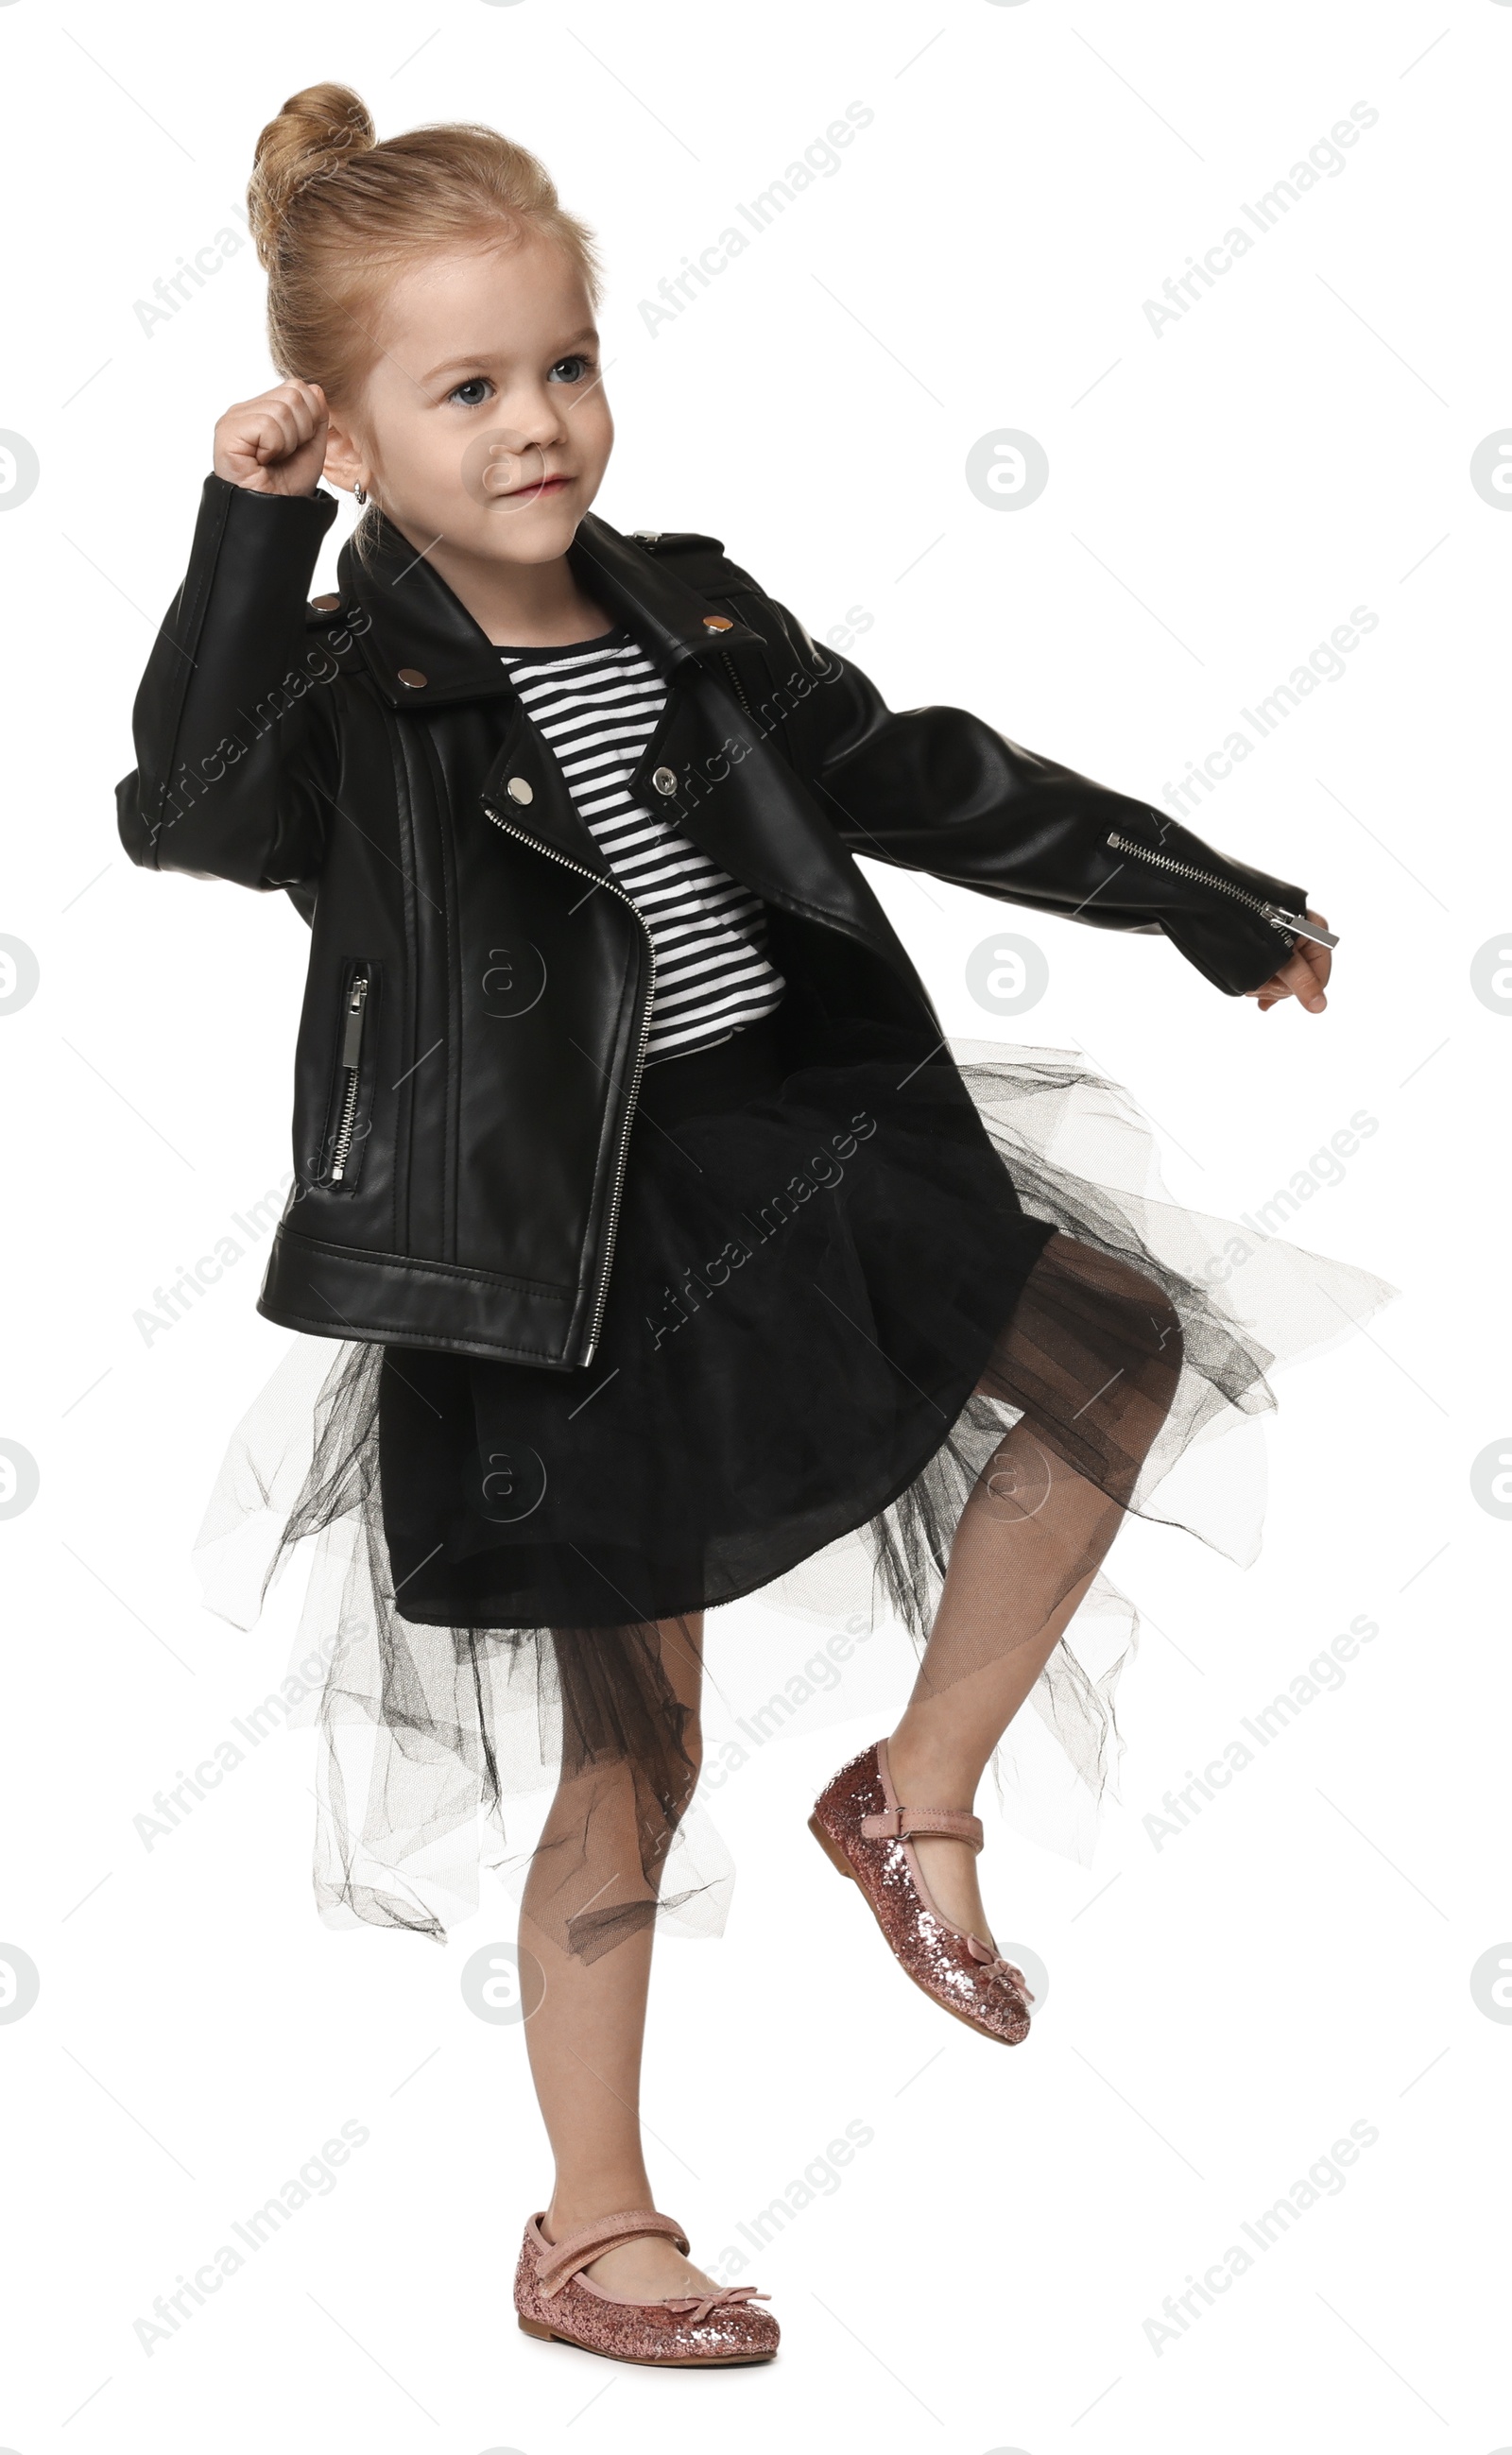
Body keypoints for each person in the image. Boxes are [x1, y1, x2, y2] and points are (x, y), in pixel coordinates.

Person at [115, 82, 1392, 2369]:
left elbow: (915, 771)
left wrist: (1193, 893)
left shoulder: (688, 607)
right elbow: (188, 816)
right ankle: (592, 2224)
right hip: (563, 1246)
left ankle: (914, 1796)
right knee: (632, 1746)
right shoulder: (347, 687)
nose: (539, 424)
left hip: (806, 1150)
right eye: (470, 388)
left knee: (1111, 1350)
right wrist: (240, 535)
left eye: (567, 363)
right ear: (347, 429)